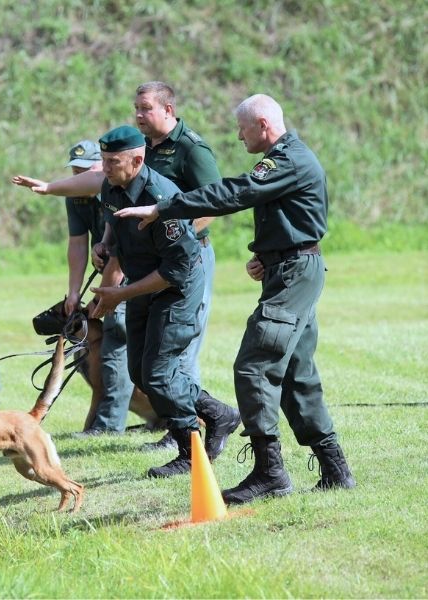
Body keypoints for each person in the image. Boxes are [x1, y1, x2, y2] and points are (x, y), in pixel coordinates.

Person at [114, 94, 356, 502]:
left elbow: (235, 193)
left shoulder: (286, 159)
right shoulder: (288, 159)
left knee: (254, 366)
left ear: (262, 124)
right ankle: (335, 468)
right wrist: (268, 257)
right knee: (296, 372)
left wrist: (168, 207)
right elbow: (289, 217)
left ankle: (270, 474)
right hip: (290, 270)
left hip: (295, 274)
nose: (237, 135)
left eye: (242, 127)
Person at [15, 126, 226, 478]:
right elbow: (105, 207)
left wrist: (119, 295)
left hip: (175, 288)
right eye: (105, 161)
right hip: (143, 283)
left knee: (159, 374)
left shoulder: (163, 198)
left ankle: (190, 449)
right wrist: (105, 242)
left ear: (137, 160)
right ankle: (218, 413)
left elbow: (176, 271)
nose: (105, 169)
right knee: (139, 371)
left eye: (112, 162)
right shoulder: (114, 185)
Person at [125, 81, 239, 452]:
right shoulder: (144, 148)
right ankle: (181, 427)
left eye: (146, 108)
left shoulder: (191, 148)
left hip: (189, 258)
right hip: (152, 261)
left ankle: (191, 431)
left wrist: (180, 238)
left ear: (168, 110)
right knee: (149, 359)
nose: (139, 115)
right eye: (137, 109)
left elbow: (215, 203)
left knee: (178, 349)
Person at [60, 140, 135, 436]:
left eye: (84, 171)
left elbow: (122, 249)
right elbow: (77, 244)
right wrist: (74, 292)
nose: (79, 178)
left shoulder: (117, 189)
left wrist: (104, 295)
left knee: (117, 336)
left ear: (101, 166)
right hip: (110, 267)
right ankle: (103, 421)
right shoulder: (76, 195)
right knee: (87, 338)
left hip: (130, 269)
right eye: (74, 172)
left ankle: (107, 426)